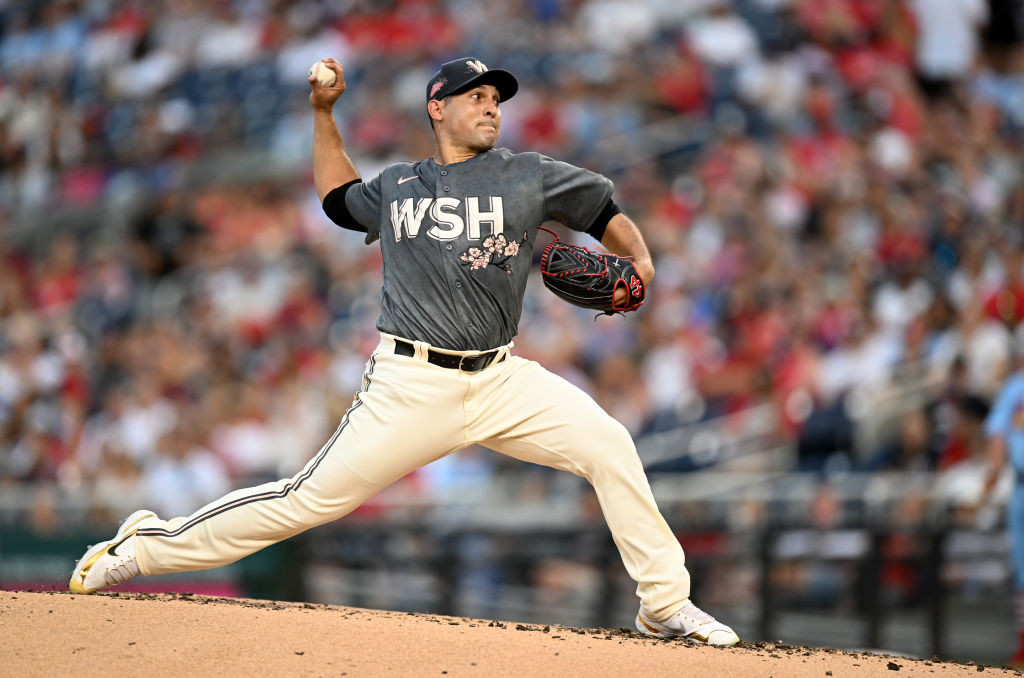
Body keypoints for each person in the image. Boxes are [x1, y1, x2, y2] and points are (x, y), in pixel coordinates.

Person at [69, 56, 739, 646]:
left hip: (502, 379)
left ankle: (664, 605)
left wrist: (641, 264)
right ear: (437, 108)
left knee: (609, 444)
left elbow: (603, 211)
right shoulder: (400, 186)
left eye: (497, 98)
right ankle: (142, 548)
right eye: (476, 96)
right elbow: (335, 199)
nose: (491, 106)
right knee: (305, 500)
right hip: (411, 384)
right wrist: (322, 113)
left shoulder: (528, 176)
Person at [981, 339, 1024, 666]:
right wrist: (993, 473)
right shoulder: (1016, 386)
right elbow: (998, 432)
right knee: (1022, 571)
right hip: (1022, 487)